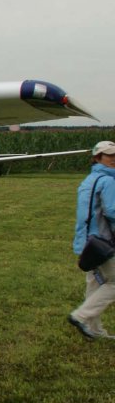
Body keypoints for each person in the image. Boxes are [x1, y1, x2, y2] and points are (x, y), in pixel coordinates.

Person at [68, 141, 115, 340]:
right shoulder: (108, 181)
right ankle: (80, 316)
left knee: (95, 285)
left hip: (85, 243)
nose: (113, 159)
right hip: (102, 242)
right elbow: (112, 211)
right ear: (97, 158)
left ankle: (93, 330)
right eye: (108, 155)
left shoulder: (88, 180)